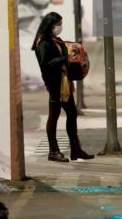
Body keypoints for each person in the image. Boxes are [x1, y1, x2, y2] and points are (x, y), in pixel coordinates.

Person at [32, 12, 93, 162]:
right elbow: (45, 64)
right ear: (51, 26)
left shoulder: (54, 40)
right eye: (58, 24)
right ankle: (53, 151)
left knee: (71, 114)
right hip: (54, 84)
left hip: (63, 83)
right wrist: (65, 59)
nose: (60, 27)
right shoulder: (43, 42)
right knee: (54, 116)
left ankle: (76, 150)